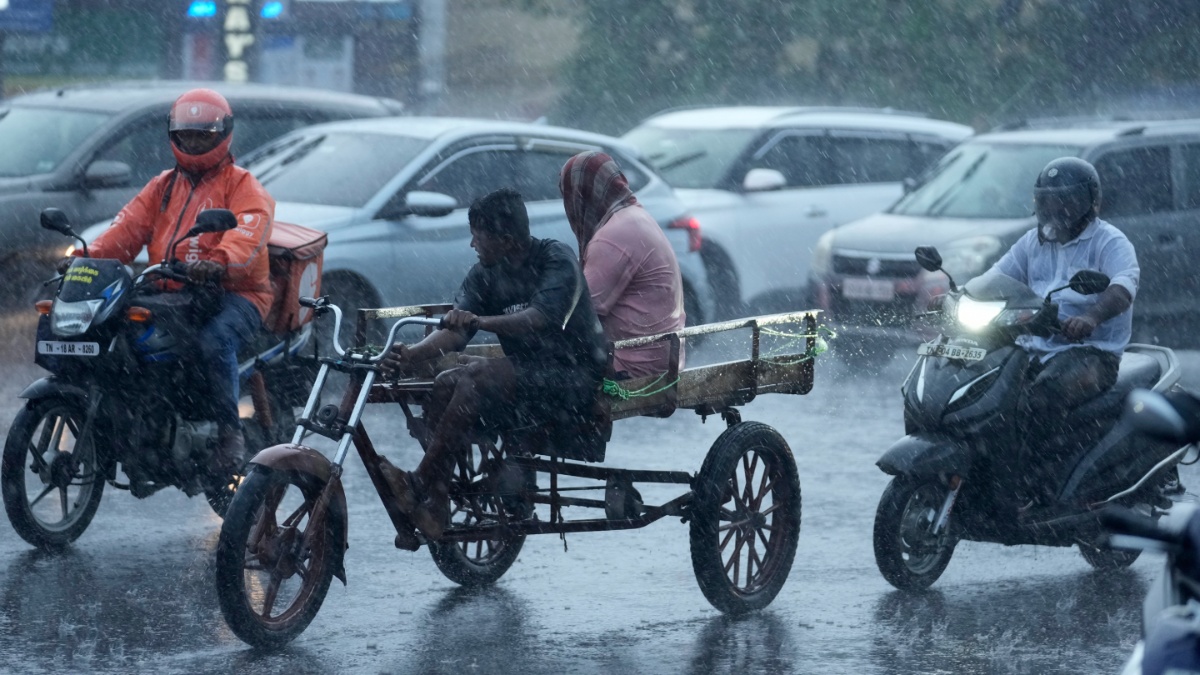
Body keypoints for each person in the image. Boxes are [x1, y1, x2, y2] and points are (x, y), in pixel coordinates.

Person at [62, 88, 274, 485]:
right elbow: (125, 231)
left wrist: (218, 261)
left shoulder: (243, 185)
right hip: (172, 290)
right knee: (118, 333)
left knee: (214, 341)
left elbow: (249, 233)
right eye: (186, 134)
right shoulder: (162, 186)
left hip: (237, 294)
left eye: (203, 135)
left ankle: (230, 433)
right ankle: (143, 416)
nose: (193, 142)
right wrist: (82, 257)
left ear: (223, 135)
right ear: (173, 135)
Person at [379, 188, 607, 541]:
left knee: (473, 376)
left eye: (478, 237)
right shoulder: (485, 273)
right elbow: (456, 332)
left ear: (506, 239)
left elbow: (538, 319)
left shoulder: (556, 260)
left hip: (575, 378)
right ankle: (437, 502)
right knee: (444, 383)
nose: (473, 245)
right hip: (526, 377)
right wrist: (411, 354)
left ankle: (419, 480)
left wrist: (479, 322)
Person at [985, 157, 1139, 508]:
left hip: (1092, 353)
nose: (1056, 208)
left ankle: (1040, 487)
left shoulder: (1110, 242)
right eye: (1047, 200)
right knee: (986, 391)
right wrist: (955, 298)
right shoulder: (1031, 242)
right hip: (1034, 345)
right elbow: (996, 279)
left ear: (1091, 201)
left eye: (1066, 199)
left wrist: (1091, 317)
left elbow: (1122, 288)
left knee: (1044, 397)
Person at [559, 151, 686, 379]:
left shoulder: (614, 235)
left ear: (581, 194)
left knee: (540, 375)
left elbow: (580, 311)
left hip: (633, 363)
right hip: (663, 355)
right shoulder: (634, 217)